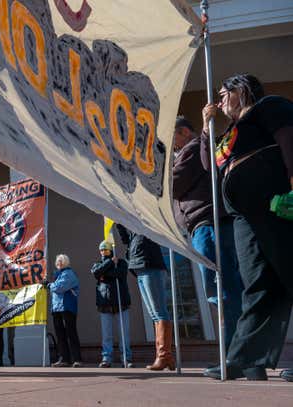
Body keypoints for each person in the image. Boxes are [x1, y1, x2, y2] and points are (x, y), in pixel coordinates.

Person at [200, 74, 293, 381]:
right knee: (258, 284)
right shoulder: (230, 133)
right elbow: (207, 165)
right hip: (243, 216)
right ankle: (246, 358)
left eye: (224, 93)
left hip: (274, 200)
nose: (219, 99)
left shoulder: (268, 107)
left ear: (241, 90)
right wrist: (206, 128)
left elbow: (288, 137)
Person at [172, 115, 243, 351]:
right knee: (224, 286)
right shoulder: (192, 148)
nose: (171, 144)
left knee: (220, 287)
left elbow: (174, 183)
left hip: (208, 222)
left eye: (172, 136)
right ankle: (241, 352)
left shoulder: (191, 148)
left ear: (183, 132)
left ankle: (237, 352)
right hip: (205, 223)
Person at [115, 224, 174, 371]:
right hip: (139, 268)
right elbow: (125, 239)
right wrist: (117, 221)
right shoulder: (133, 230)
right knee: (154, 315)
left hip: (150, 265)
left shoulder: (144, 221)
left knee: (159, 312)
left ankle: (163, 356)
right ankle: (166, 358)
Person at [91, 241, 132, 368]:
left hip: (121, 303)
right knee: (107, 334)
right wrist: (109, 263)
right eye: (101, 250)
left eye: (106, 250)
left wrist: (105, 273)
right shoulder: (98, 264)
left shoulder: (121, 263)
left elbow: (120, 274)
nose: (103, 252)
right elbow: (96, 273)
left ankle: (126, 357)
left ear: (111, 250)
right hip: (105, 304)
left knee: (123, 333)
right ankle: (106, 358)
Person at [48, 254, 82, 368]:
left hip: (67, 307)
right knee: (60, 335)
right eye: (58, 261)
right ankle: (64, 359)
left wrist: (49, 285)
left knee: (71, 333)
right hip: (57, 308)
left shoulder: (68, 273)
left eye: (62, 261)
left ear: (66, 262)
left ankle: (77, 359)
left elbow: (60, 287)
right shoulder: (57, 275)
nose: (59, 263)